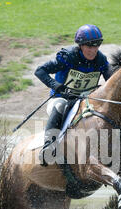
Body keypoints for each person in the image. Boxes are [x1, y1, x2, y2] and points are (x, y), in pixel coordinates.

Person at [35, 24, 113, 166]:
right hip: (62, 99)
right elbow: (40, 71)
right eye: (89, 46)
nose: (93, 50)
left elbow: (112, 81)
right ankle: (47, 147)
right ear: (81, 46)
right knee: (60, 106)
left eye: (97, 45)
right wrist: (55, 85)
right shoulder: (68, 57)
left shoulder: (101, 60)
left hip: (85, 102)